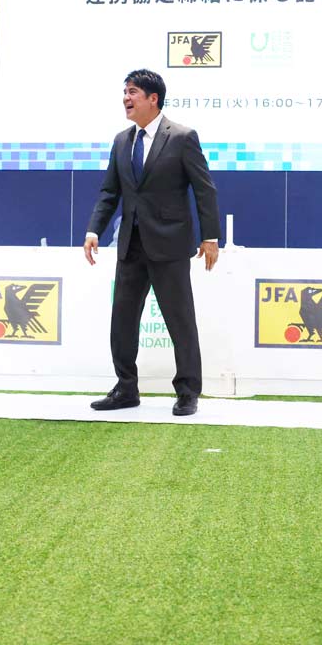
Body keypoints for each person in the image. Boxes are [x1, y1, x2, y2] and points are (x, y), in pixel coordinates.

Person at [84, 69, 220, 417]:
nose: (126, 99)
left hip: (170, 244)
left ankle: (188, 391)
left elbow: (203, 189)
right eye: (124, 92)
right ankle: (126, 389)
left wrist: (210, 236)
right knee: (123, 320)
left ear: (152, 98)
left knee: (180, 319)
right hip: (131, 243)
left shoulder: (183, 137)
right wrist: (94, 229)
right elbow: (109, 191)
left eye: (132, 92)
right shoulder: (121, 140)